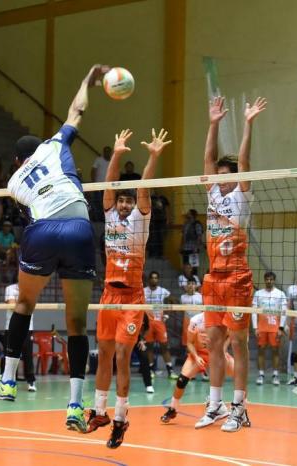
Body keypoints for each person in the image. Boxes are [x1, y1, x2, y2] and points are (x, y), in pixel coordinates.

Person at [0, 64, 109, 433]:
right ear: (39, 146)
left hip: (41, 231)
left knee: (25, 303)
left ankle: (8, 381)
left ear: (16, 161)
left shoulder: (12, 183)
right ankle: (75, 405)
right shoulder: (56, 144)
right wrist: (87, 80)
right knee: (76, 323)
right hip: (78, 228)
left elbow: (30, 213)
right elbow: (77, 110)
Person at [84, 127, 170, 449]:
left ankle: (120, 418)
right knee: (103, 354)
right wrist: (117, 154)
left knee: (122, 354)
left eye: (126, 201)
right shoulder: (109, 216)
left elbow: (144, 187)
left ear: (133, 204)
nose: (122, 204)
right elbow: (108, 184)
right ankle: (100, 412)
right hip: (108, 294)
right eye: (119, 200)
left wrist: (152, 156)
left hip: (132, 297)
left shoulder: (140, 219)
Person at [196, 95, 267, 432]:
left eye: (227, 175)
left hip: (237, 277)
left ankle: (239, 407)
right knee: (213, 341)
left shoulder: (241, 193)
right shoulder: (212, 193)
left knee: (239, 343)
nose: (222, 179)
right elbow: (208, 158)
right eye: (220, 175)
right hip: (213, 278)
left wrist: (248, 123)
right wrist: (213, 123)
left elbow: (244, 159)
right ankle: (215, 406)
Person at [160, 312, 234, 423]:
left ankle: (240, 410)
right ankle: (172, 409)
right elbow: (189, 343)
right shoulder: (196, 321)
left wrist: (224, 349)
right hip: (199, 354)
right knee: (181, 380)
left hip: (217, 353)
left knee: (239, 374)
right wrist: (196, 356)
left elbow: (230, 335)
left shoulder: (222, 318)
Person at [252, 271, 287, 386]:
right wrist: (255, 327)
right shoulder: (258, 293)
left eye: (271, 279)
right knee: (261, 350)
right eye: (267, 279)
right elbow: (253, 311)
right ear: (264, 280)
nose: (269, 281)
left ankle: (275, 375)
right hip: (262, 327)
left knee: (275, 351)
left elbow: (284, 312)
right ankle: (261, 374)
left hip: (274, 327)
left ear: (274, 280)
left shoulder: (280, 294)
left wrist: (281, 328)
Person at [4, 275, 36, 392]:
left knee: (28, 355)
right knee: (10, 355)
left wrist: (22, 303)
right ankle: (10, 382)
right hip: (10, 327)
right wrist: (24, 303)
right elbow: (12, 305)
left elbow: (28, 305)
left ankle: (31, 381)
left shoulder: (32, 288)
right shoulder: (10, 288)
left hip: (28, 327)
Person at [143, 271, 176, 379]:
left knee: (164, 346)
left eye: (156, 278)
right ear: (149, 280)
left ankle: (170, 371)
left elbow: (173, 300)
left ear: (158, 279)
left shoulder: (162, 291)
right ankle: (151, 370)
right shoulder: (144, 291)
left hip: (159, 321)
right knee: (149, 347)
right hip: (148, 322)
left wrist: (167, 315)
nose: (154, 280)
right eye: (152, 278)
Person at [180, 277, 203, 368]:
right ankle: (190, 369)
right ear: (186, 286)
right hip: (187, 324)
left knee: (200, 347)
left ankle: (203, 370)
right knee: (188, 347)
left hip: (199, 324)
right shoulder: (182, 297)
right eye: (189, 284)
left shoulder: (201, 296)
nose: (191, 285)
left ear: (196, 286)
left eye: (193, 284)